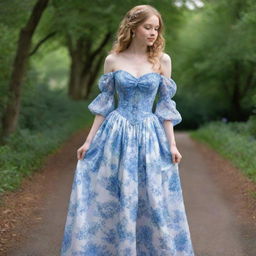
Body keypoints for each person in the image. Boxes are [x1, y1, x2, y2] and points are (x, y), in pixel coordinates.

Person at [60, 4, 195, 256]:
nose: (153, 33)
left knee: (152, 198)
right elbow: (104, 105)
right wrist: (89, 141)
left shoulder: (162, 60)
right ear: (133, 28)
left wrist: (172, 144)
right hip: (116, 135)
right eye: (148, 27)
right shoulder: (112, 60)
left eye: (156, 28)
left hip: (150, 135)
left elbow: (165, 107)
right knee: (116, 194)